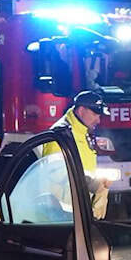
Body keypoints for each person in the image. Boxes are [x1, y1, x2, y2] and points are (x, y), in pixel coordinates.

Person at [40, 89, 111, 218]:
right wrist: (92, 182)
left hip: (78, 210)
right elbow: (56, 174)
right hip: (62, 213)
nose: (98, 120)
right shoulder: (61, 135)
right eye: (95, 114)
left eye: (100, 116)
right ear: (81, 110)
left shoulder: (82, 131)